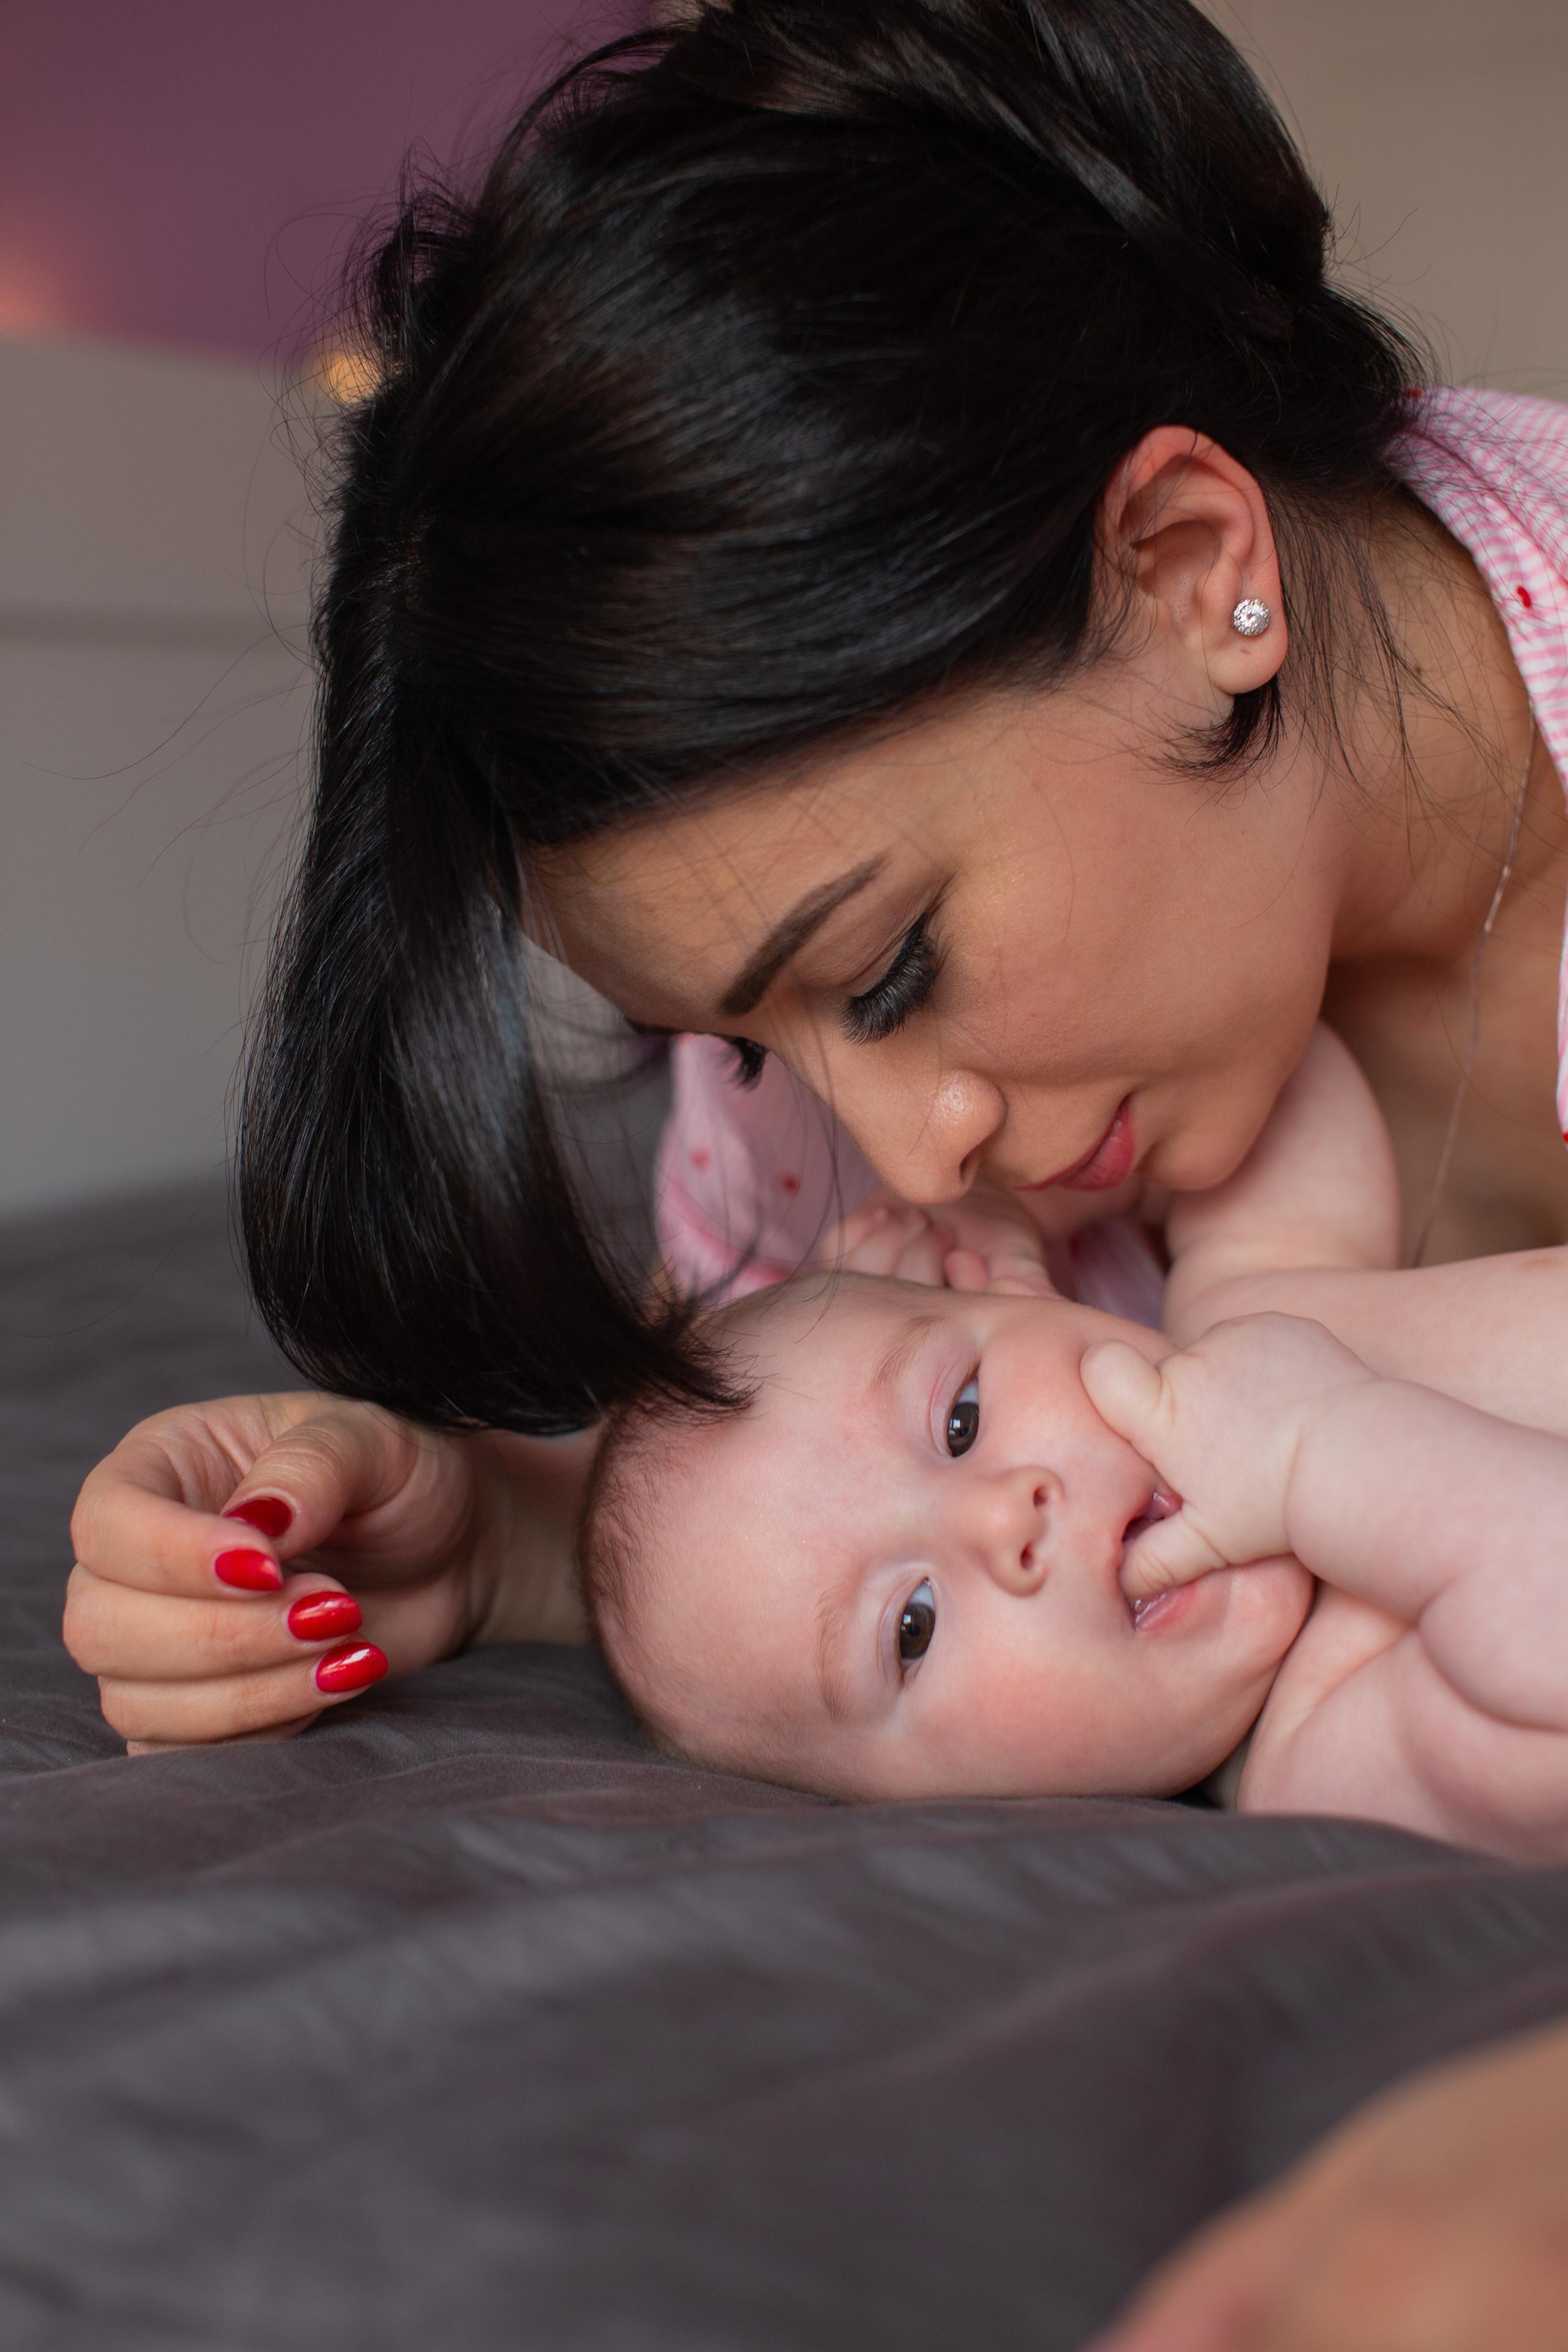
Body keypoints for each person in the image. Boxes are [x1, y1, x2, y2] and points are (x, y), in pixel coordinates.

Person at [56, 0, 1568, 2335]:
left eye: (881, 968)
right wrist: (513, 1547)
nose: (894, 1137)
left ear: (1191, 568)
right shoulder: (831, 1117)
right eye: (725, 1031)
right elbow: (806, 1484)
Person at [573, 1028, 1568, 1855]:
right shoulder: (1326, 1753)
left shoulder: (1230, 1316)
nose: (1002, 1514)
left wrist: (1011, 1213)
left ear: (1021, 1300)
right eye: (911, 1628)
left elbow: (1278, 1081)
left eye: (961, 1417)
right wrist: (1316, 1451)